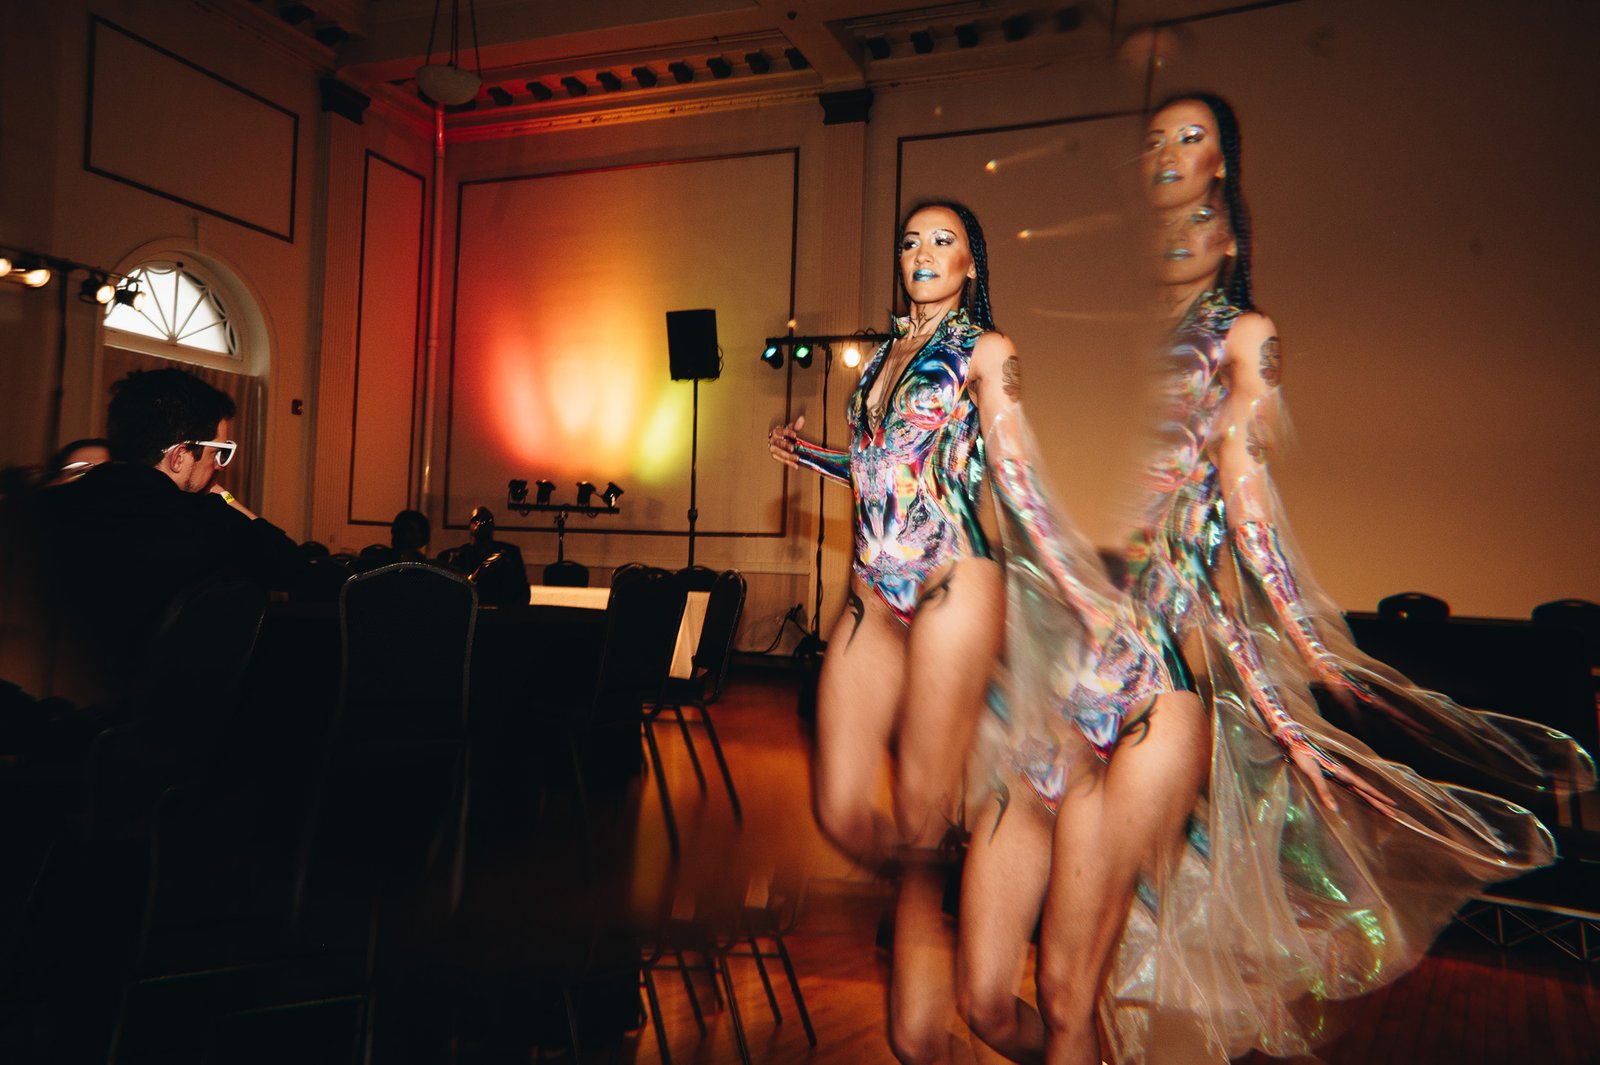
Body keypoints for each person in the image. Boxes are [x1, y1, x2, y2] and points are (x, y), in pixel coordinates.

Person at [956, 93, 1594, 1065]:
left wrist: (1308, 665)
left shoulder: (1240, 338)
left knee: (1068, 992)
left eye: (1192, 140)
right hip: (1050, 696)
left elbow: (1247, 519)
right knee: (984, 1002)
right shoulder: (1071, 333)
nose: (1169, 156)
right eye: (1155, 139)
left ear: (1225, 203)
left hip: (1148, 698)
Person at [768, 200, 1105, 1064]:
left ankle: (925, 1025)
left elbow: (1016, 476)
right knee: (842, 808)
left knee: (919, 812)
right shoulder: (881, 357)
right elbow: (881, 463)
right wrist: (809, 455)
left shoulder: (986, 350)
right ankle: (939, 882)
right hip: (872, 590)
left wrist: (1081, 590)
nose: (922, 252)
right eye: (911, 241)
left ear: (971, 265)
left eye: (942, 241)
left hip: (954, 578)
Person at [36, 368, 299, 705]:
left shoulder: (47, 504)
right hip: (151, 718)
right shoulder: (206, 521)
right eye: (218, 452)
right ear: (179, 456)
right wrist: (226, 498)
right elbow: (292, 567)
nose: (219, 466)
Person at [438, 505, 529, 606]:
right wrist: (474, 576)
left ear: (493, 525)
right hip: (471, 611)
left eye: (486, 520)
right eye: (476, 520)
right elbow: (453, 593)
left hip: (502, 611)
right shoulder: (457, 557)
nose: (481, 523)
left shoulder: (510, 555)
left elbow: (523, 593)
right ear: (469, 525)